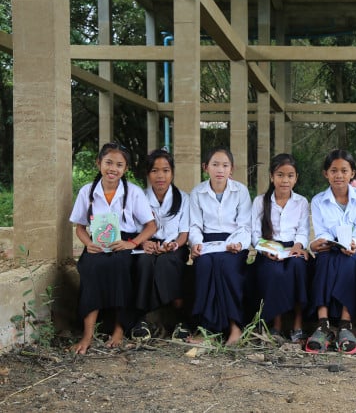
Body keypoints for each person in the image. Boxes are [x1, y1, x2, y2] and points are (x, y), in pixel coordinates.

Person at [69, 142, 157, 354]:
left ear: (125, 169)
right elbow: (79, 227)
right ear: (99, 163)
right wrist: (88, 244)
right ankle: (87, 334)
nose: (113, 169)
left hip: (124, 242)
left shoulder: (133, 192)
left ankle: (119, 330)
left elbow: (151, 225)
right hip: (97, 243)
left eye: (119, 165)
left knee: (120, 266)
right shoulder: (87, 192)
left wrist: (132, 243)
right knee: (91, 268)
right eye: (108, 163)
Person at [306, 149, 356, 354]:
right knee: (323, 260)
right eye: (334, 170)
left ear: (352, 173)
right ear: (326, 173)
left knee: (350, 262)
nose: (339, 175)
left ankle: (345, 323)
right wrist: (320, 242)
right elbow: (321, 230)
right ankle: (322, 323)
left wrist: (354, 243)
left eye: (344, 170)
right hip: (331, 247)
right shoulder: (318, 200)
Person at [189, 146, 251, 345]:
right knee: (205, 265)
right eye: (215, 164)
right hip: (207, 244)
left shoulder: (240, 191)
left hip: (233, 243)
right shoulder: (197, 192)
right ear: (205, 167)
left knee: (227, 266)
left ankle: (235, 327)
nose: (220, 170)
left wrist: (238, 244)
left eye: (225, 165)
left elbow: (245, 225)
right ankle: (205, 329)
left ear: (231, 169)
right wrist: (196, 244)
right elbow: (195, 225)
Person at [132, 149, 190, 341]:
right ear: (148, 174)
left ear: (172, 173)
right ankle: (141, 319)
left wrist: (173, 245)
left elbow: (184, 233)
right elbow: (136, 229)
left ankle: (180, 319)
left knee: (167, 263)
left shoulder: (183, 198)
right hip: (146, 244)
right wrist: (144, 243)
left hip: (174, 246)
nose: (160, 176)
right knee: (143, 263)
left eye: (165, 170)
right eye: (155, 171)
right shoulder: (139, 196)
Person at [251, 153, 309, 343]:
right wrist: (266, 250)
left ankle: (297, 325)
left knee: (298, 268)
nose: (285, 180)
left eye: (290, 175)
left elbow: (303, 230)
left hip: (293, 249)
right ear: (271, 177)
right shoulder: (261, 201)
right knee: (273, 272)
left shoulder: (301, 202)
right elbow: (255, 233)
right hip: (269, 249)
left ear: (296, 178)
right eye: (280, 175)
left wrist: (298, 246)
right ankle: (275, 325)